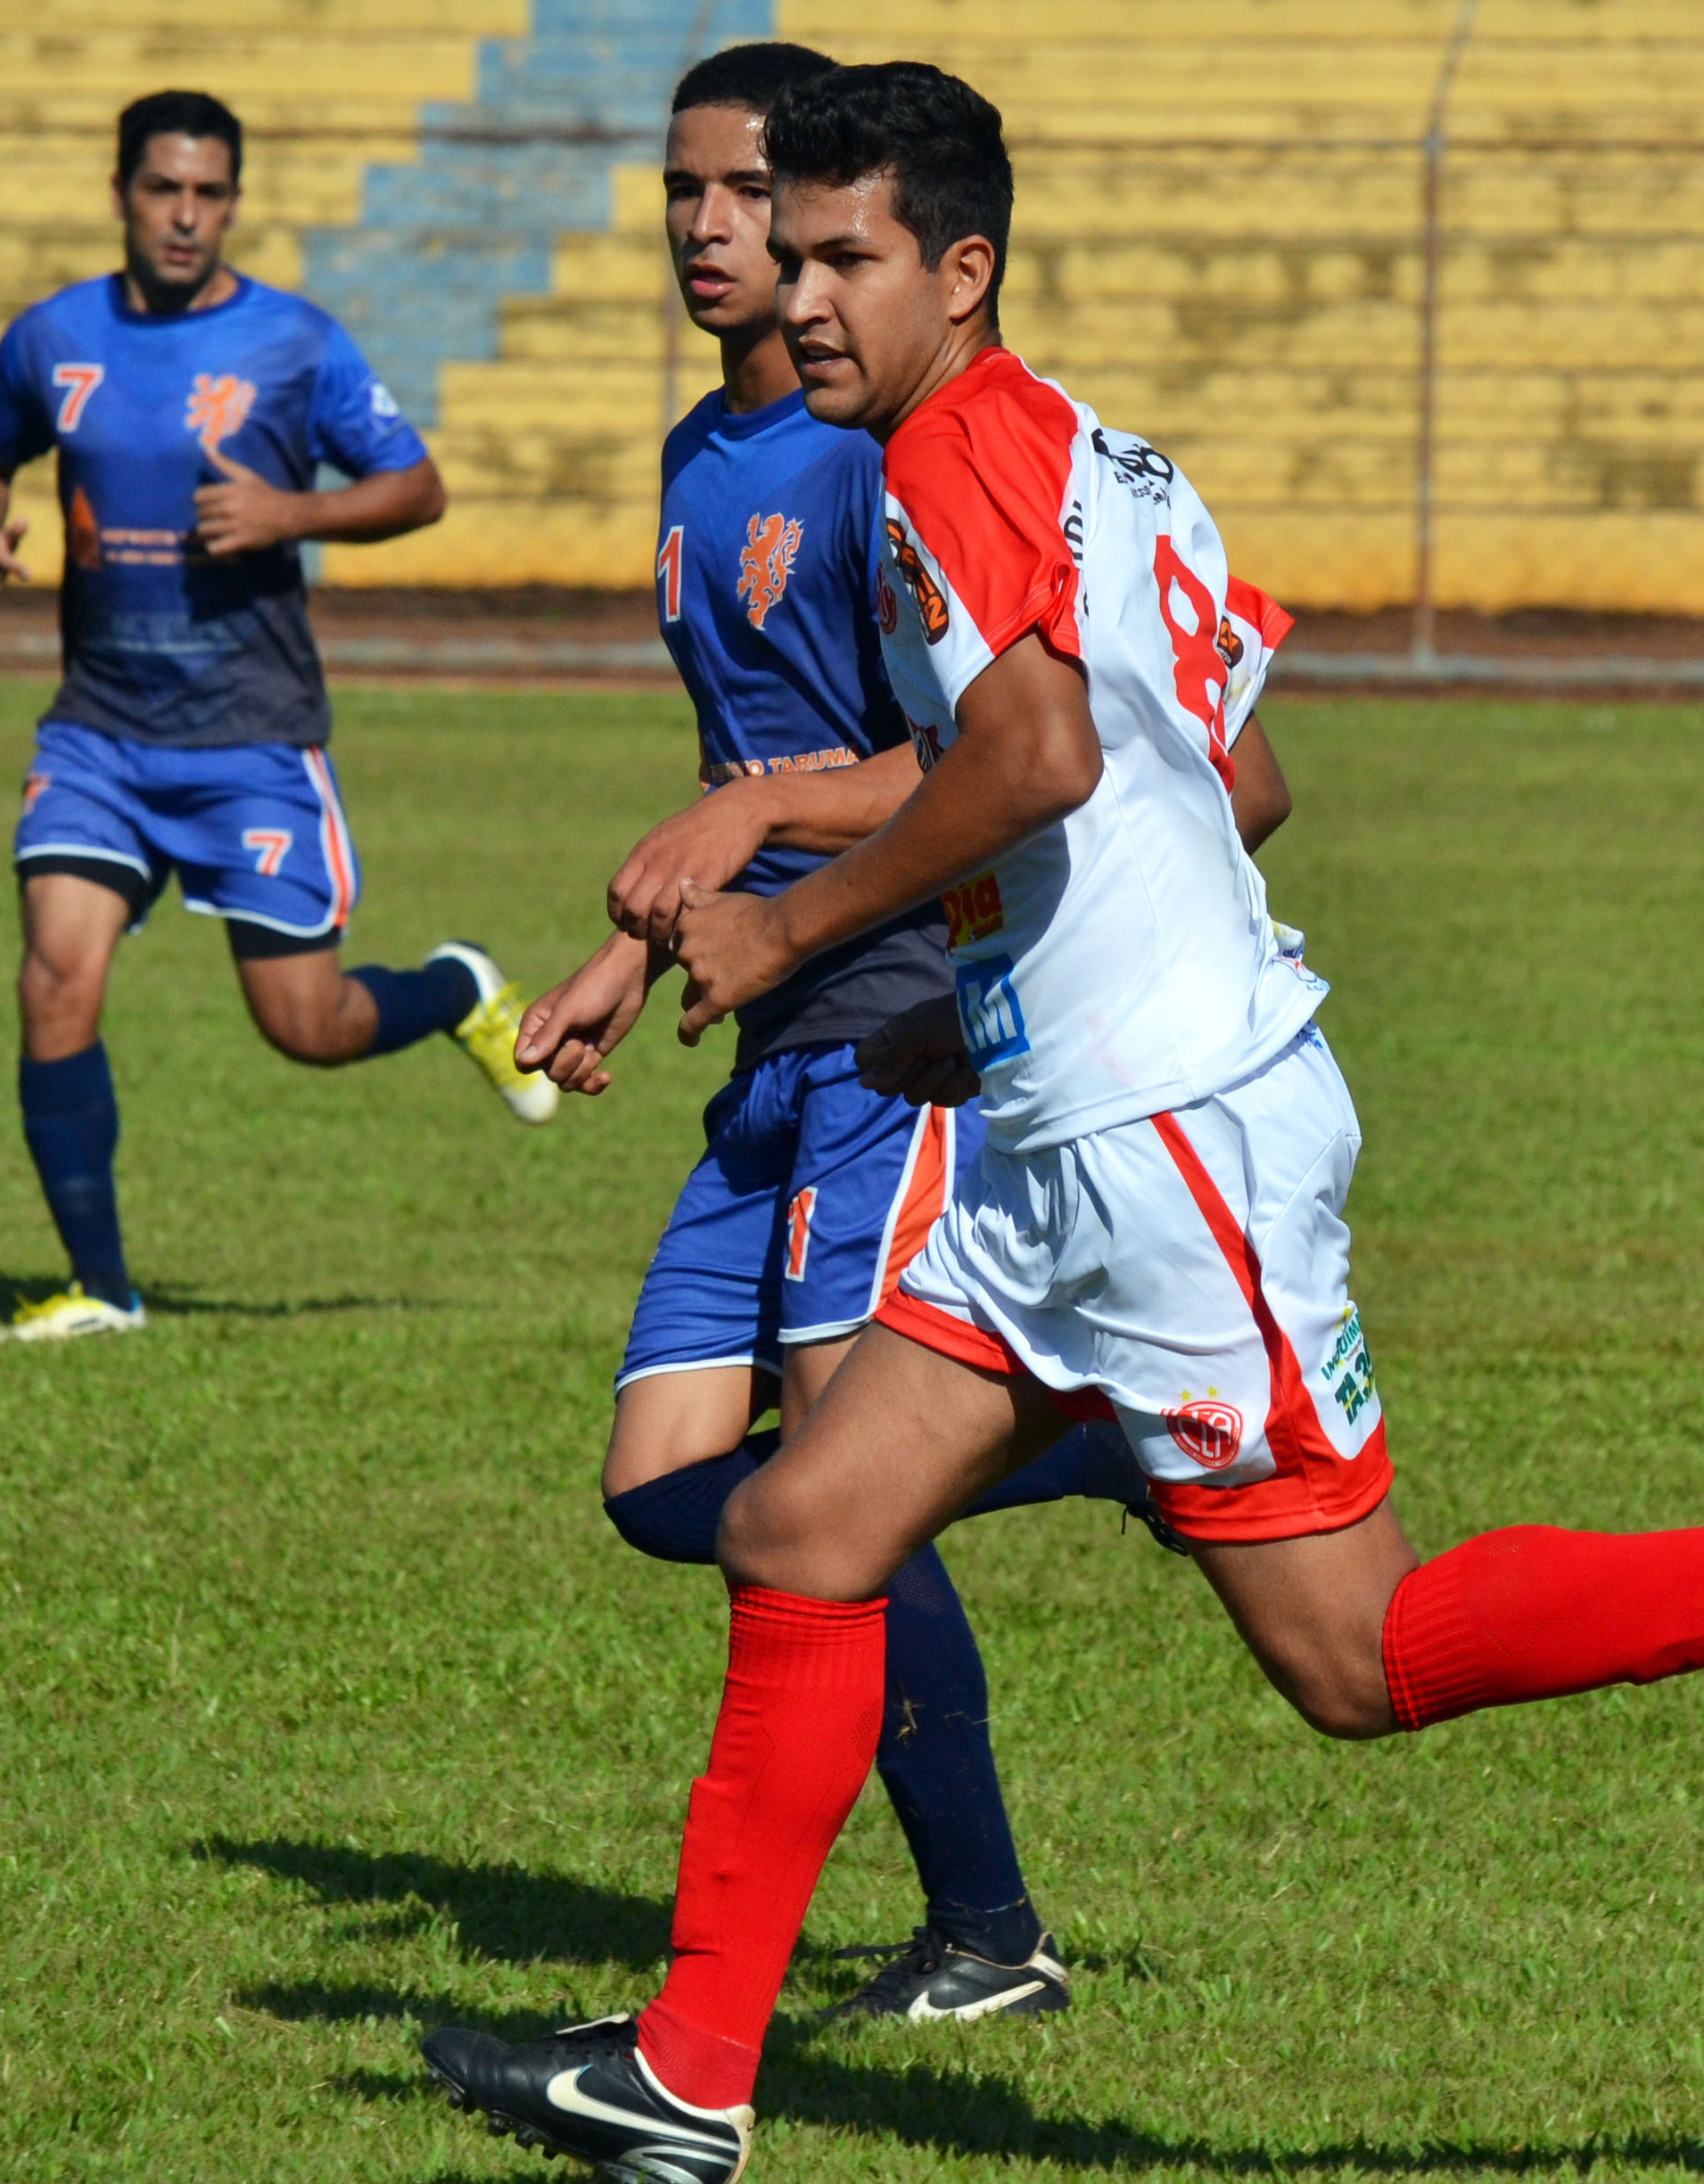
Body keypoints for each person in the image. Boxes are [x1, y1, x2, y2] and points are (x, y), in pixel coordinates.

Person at [422, 62, 1704, 2184]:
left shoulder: (939, 466)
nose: (809, 297)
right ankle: (688, 2071)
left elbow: (1030, 752)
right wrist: (1009, 1016)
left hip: (1166, 1145)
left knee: (1359, 1659)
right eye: (792, 252)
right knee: (803, 1526)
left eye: (849, 257)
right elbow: (1230, 775)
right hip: (1079, 1121)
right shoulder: (1103, 461)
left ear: (961, 267)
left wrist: (792, 917)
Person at [506, 43, 1285, 2023]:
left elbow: (1002, 761)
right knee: (661, 1478)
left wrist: (769, 834)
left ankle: (978, 1931)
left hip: (899, 1025)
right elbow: (746, 762)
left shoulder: (901, 456)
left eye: (750, 194)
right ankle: (1097, 1441)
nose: (709, 228)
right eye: (677, 190)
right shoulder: (704, 456)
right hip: (768, 1021)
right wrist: (640, 934)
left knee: (828, 1498)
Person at [0, 89, 557, 1346]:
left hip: (250, 741)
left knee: (306, 1028)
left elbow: (418, 485)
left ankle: (453, 990)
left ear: (232, 200)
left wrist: (293, 516)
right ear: (120, 192)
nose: (185, 215)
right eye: (163, 189)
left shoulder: (294, 343)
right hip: (98, 735)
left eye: (209, 193)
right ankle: (104, 1288)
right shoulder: (51, 335)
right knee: (57, 978)